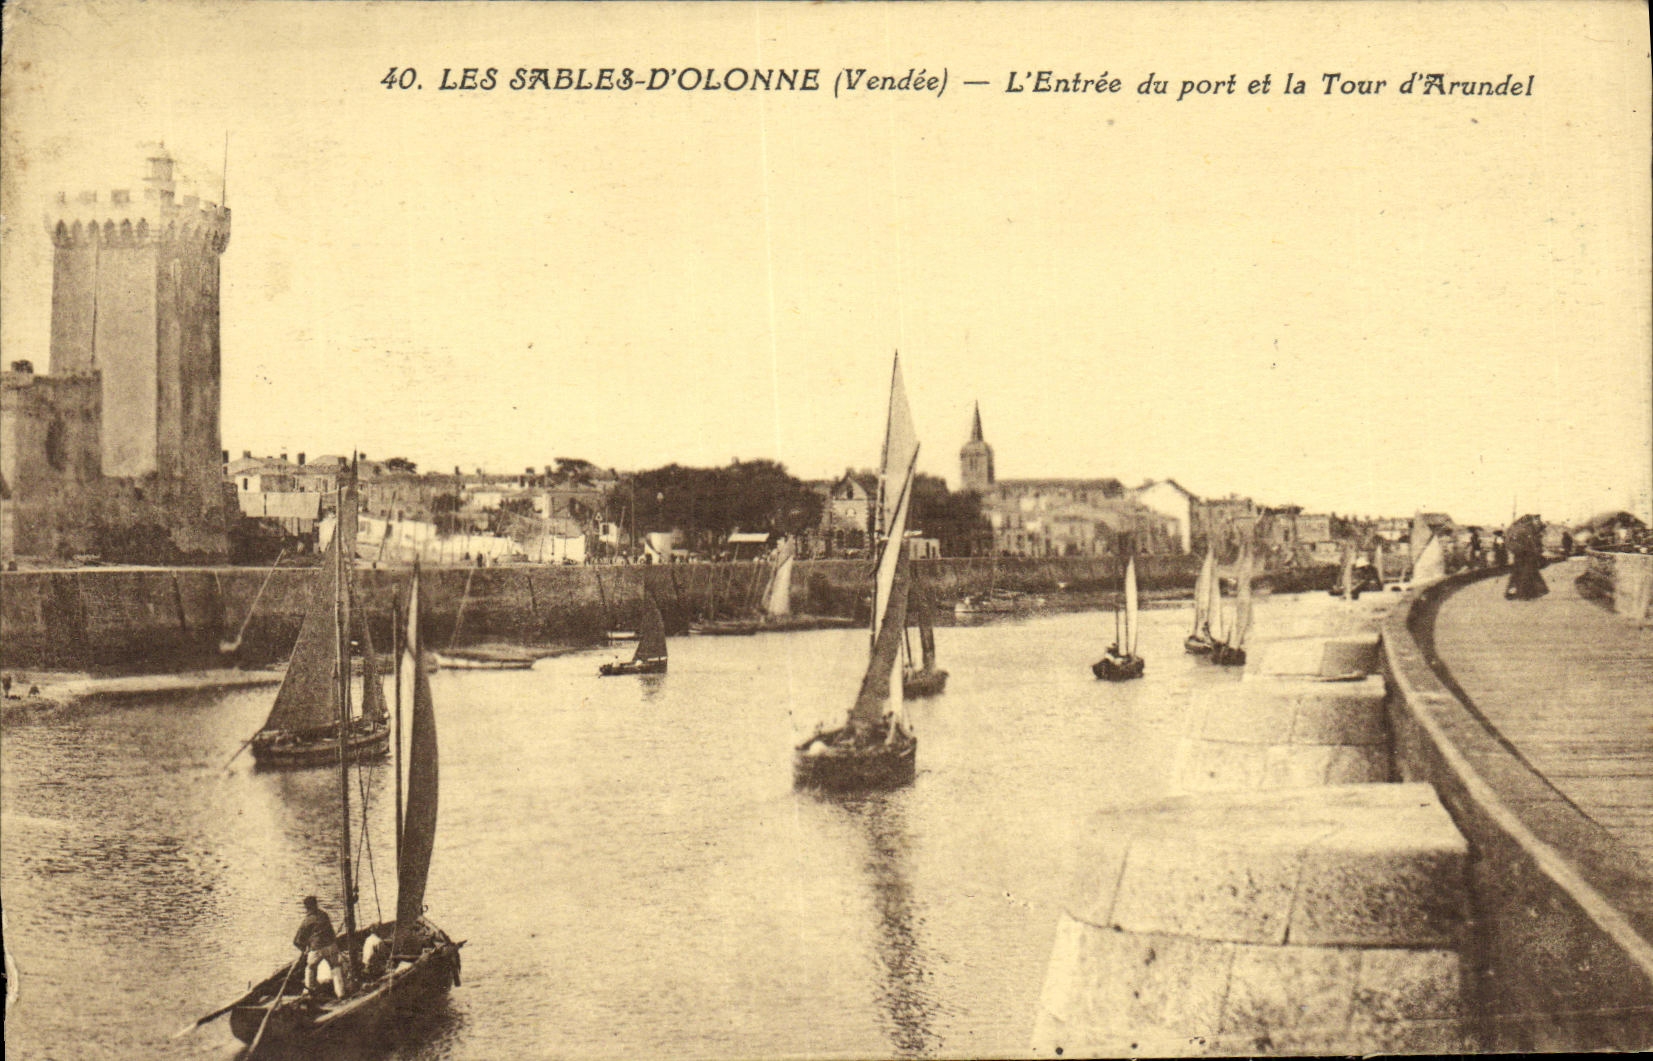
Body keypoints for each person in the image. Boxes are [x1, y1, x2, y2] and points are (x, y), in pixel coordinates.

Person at [294, 895, 343, 997]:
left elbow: (297, 941)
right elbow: (332, 933)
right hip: (331, 946)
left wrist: (305, 949)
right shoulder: (324, 915)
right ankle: (341, 993)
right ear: (316, 904)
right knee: (335, 967)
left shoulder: (307, 921)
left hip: (317, 949)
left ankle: (309, 993)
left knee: (310, 968)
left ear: (306, 907)